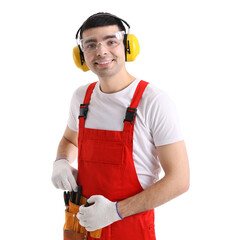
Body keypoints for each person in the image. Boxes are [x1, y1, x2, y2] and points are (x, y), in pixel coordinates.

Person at [51, 12, 190, 240]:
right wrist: (61, 161)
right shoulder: (81, 97)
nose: (101, 51)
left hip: (131, 230)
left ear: (127, 46)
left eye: (111, 41)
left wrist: (115, 212)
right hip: (82, 229)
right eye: (91, 45)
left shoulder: (153, 101)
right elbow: (69, 140)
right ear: (81, 55)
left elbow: (180, 180)